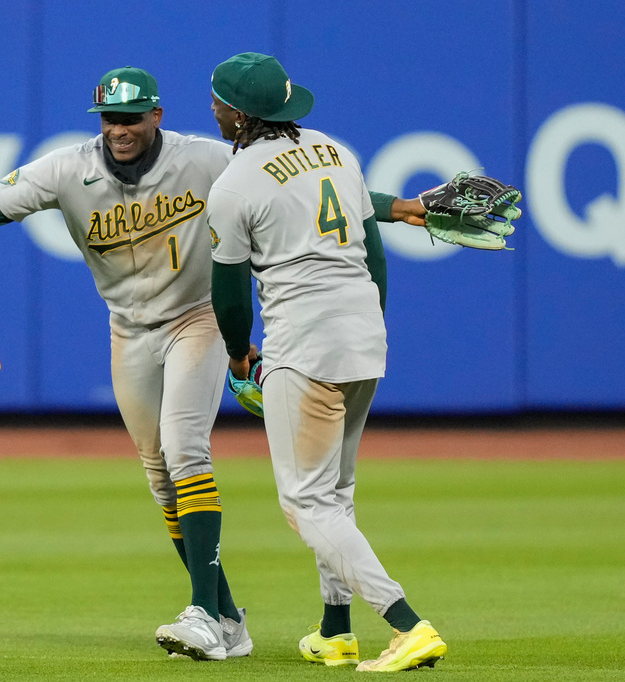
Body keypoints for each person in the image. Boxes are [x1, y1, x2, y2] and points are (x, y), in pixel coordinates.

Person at [0, 65, 426, 661]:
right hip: (127, 330)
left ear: (157, 115)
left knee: (185, 449)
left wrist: (398, 208)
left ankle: (206, 611)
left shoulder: (206, 160)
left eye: (131, 117)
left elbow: (300, 192)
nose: (119, 130)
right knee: (159, 475)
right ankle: (226, 615)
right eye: (109, 119)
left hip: (196, 319)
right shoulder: (66, 168)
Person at [207, 52, 448, 672]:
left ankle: (406, 623)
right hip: (363, 331)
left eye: (218, 101)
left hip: (304, 343)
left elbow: (229, 291)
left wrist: (238, 356)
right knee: (334, 495)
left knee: (305, 503)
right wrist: (371, 324)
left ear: (237, 114)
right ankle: (335, 629)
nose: (212, 109)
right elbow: (374, 252)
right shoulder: (336, 151)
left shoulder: (234, 185)